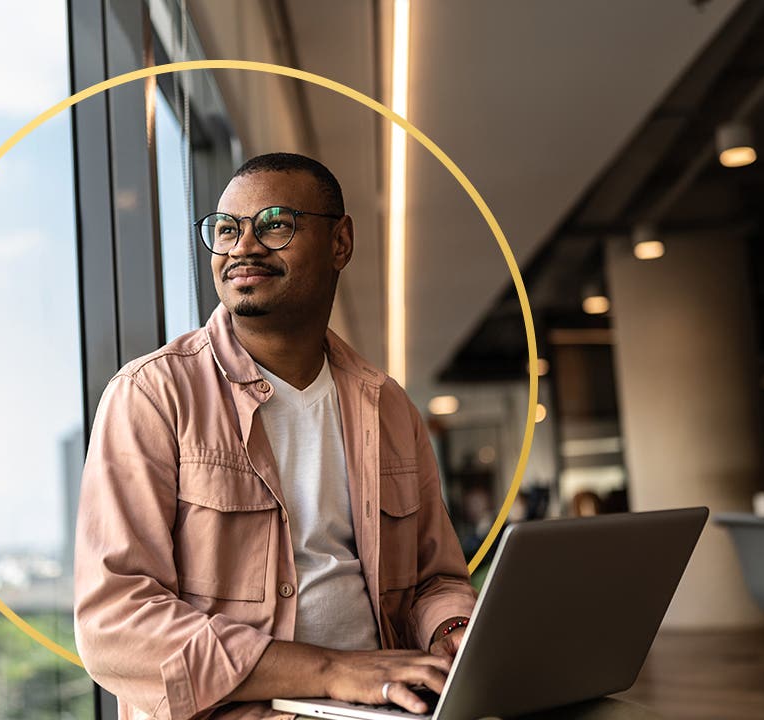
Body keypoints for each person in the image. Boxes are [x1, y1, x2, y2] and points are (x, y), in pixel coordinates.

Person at [74, 153, 477, 720]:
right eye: (227, 229)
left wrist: (453, 630)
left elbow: (435, 580)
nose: (243, 247)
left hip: (390, 706)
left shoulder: (388, 406)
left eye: (274, 224)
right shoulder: (151, 394)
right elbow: (114, 625)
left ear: (340, 243)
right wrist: (333, 671)